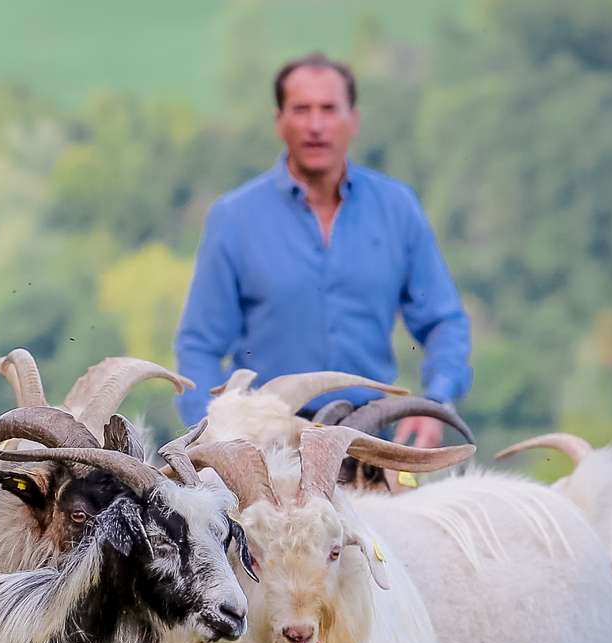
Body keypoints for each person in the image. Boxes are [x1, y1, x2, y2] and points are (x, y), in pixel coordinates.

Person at [174, 53, 471, 447]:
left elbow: (444, 321)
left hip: (370, 440)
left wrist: (436, 401)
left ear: (354, 120)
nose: (316, 125)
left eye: (329, 109)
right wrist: (213, 435)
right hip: (268, 445)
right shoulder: (234, 217)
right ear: (279, 121)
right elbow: (199, 345)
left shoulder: (397, 208)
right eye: (301, 110)